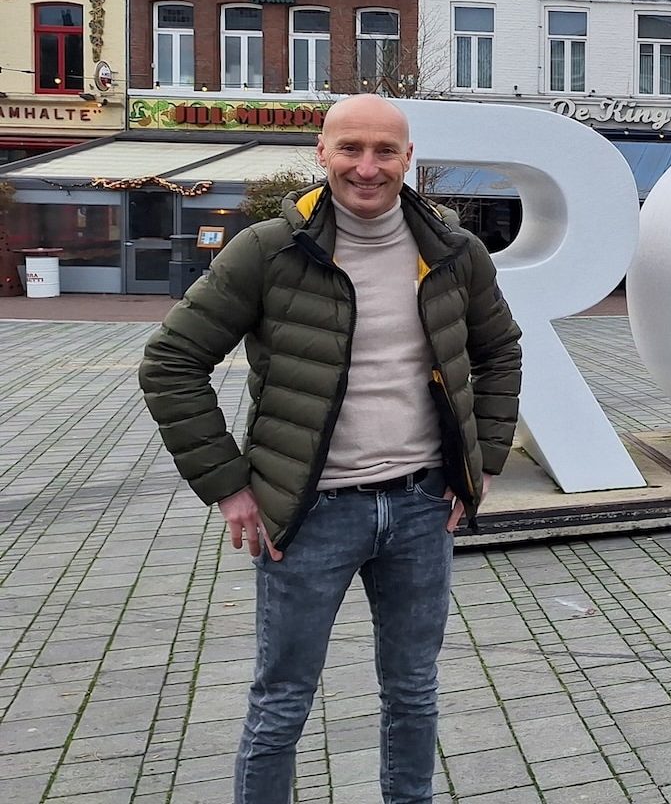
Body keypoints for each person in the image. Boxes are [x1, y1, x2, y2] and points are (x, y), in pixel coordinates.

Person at [139, 94, 523, 804]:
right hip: (309, 515)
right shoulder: (270, 250)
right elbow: (169, 363)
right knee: (282, 700)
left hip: (419, 509)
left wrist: (483, 462)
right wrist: (228, 485)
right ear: (321, 153)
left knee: (413, 692)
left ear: (410, 160)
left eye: (385, 151)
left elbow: (498, 351)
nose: (367, 167)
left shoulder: (454, 252)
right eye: (351, 149)